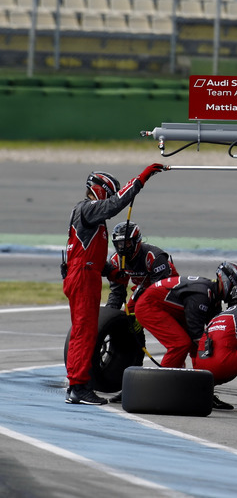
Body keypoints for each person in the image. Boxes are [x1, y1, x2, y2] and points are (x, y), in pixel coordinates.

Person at [63, 165, 165, 405]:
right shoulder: (86, 209)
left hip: (86, 274)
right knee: (85, 332)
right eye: (108, 193)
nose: (109, 199)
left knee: (85, 331)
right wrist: (141, 179)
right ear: (99, 190)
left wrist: (112, 272)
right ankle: (78, 386)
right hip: (83, 276)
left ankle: (78, 385)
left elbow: (89, 255)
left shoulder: (89, 219)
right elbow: (114, 205)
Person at [134, 261, 237, 409]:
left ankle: (202, 392)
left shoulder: (213, 298)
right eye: (235, 288)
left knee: (200, 347)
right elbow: (196, 334)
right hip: (149, 305)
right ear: (227, 282)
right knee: (181, 344)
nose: (235, 293)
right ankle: (158, 391)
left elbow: (216, 334)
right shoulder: (202, 295)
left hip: (167, 307)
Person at [104, 221, 179, 313]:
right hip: (143, 290)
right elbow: (117, 293)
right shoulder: (115, 261)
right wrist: (108, 314)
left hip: (168, 291)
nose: (122, 248)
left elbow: (159, 293)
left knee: (143, 311)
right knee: (128, 316)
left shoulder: (154, 257)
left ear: (137, 241)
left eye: (127, 243)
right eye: (119, 244)